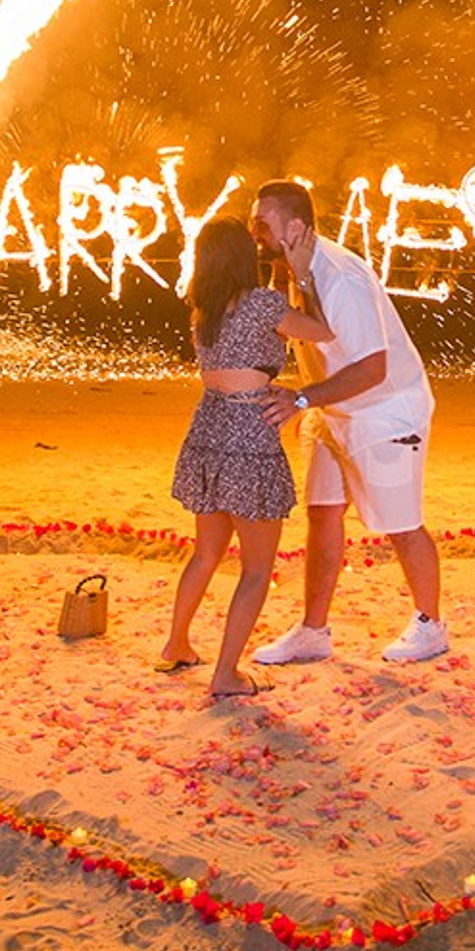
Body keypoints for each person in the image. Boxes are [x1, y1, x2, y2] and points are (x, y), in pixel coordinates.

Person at [247, 179, 448, 668]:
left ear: (295, 227)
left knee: (400, 525)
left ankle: (431, 625)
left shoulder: (342, 277)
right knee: (322, 514)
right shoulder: (292, 270)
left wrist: (301, 399)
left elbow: (372, 367)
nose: (254, 233)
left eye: (262, 224)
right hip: (330, 410)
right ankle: (313, 631)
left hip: (385, 409)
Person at [159, 216, 335, 698]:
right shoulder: (260, 305)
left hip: (208, 431)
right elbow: (321, 331)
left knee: (207, 551)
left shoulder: (205, 311)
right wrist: (302, 276)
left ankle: (177, 643)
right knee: (256, 569)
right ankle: (225, 675)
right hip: (248, 439)